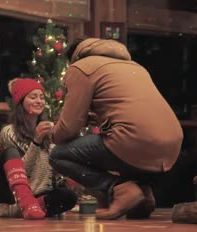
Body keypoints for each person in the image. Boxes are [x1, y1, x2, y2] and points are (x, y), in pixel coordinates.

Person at [49, 37, 183, 220]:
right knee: (123, 148)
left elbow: (69, 128)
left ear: (74, 56)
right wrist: (99, 119)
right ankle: (143, 193)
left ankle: (119, 189)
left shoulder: (81, 67)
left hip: (134, 141)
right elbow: (132, 111)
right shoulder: (135, 66)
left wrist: (51, 134)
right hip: (171, 145)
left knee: (58, 155)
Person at [0, 78, 77, 220]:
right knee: (10, 151)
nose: (39, 101)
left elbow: (51, 175)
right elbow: (24, 171)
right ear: (21, 102)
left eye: (41, 97)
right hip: (9, 192)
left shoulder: (50, 132)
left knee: (69, 196)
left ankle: (9, 211)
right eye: (33, 97)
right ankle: (21, 205)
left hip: (37, 193)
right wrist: (36, 141)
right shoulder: (9, 132)